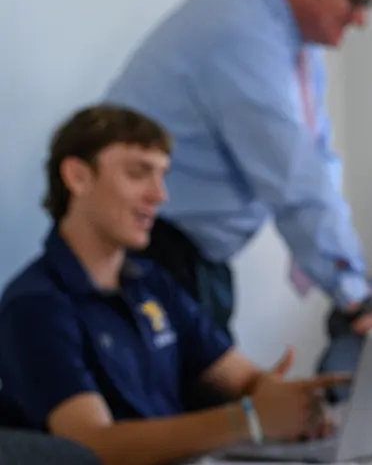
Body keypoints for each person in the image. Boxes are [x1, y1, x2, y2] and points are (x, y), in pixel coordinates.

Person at [103, 0, 372, 340]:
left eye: (370, 5)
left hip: (191, 253)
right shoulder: (243, 35)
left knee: (225, 391)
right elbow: (295, 182)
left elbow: (318, 165)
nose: (362, 19)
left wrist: (353, 287)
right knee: (198, 400)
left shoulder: (297, 47)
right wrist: (355, 297)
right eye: (355, 1)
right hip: (152, 245)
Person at [0, 105, 349, 465]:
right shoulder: (34, 305)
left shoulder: (151, 282)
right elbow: (90, 446)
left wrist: (283, 399)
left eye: (162, 175)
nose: (160, 195)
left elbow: (240, 377)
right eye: (138, 174)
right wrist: (248, 419)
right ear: (77, 176)